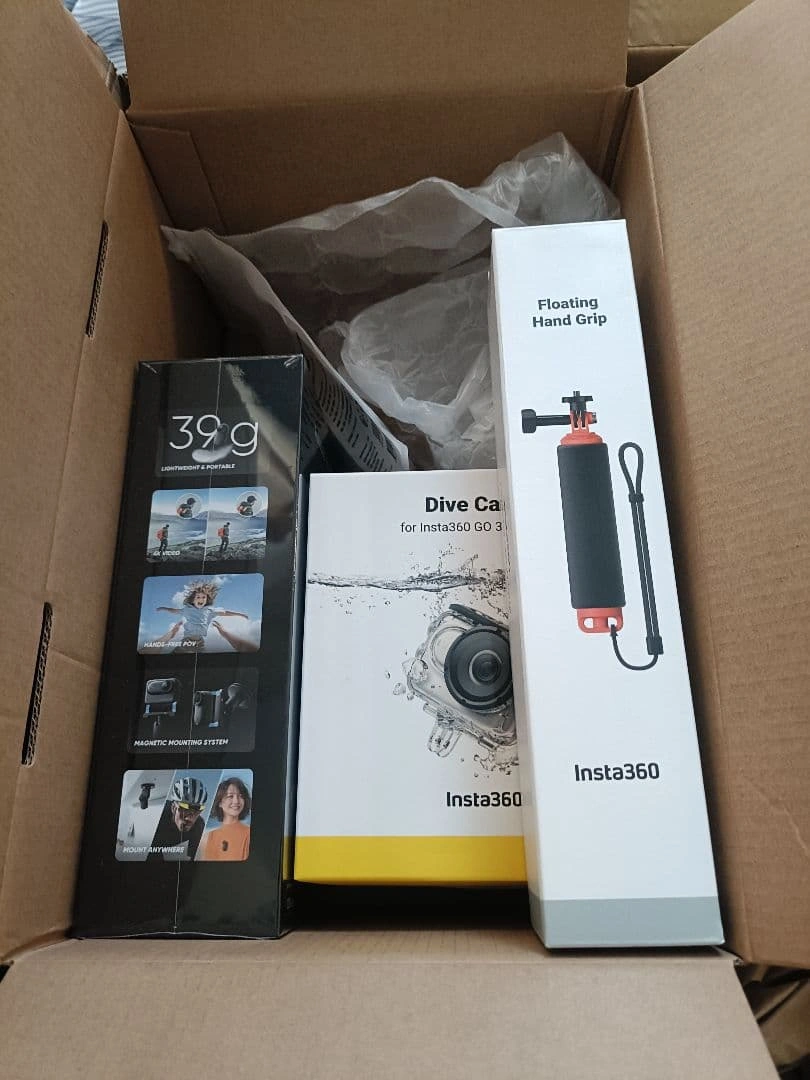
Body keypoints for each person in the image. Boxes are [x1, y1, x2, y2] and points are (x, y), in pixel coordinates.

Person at [153, 580, 255, 652]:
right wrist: (164, 608)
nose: (201, 599)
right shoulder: (188, 609)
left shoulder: (210, 611)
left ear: (207, 600)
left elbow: (225, 612)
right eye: (198, 597)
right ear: (193, 599)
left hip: (200, 642)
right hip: (187, 641)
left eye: (203, 597)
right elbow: (175, 611)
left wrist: (240, 614)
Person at [148, 776, 208, 860]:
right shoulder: (158, 817)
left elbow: (194, 858)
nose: (190, 818)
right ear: (173, 808)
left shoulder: (198, 825)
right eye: (185, 808)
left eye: (197, 810)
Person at [199, 777, 251, 862]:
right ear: (220, 802)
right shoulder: (206, 838)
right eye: (230, 796)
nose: (236, 801)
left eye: (241, 796)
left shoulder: (249, 834)